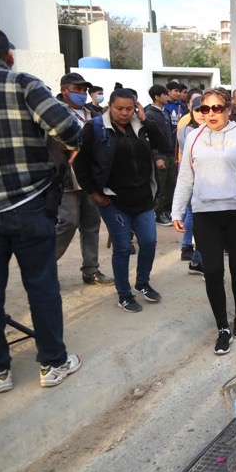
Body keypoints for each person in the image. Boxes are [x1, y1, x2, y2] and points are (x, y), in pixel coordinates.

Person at [0, 23, 82, 393]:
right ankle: (53, 363)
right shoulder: (21, 82)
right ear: (8, 55)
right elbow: (68, 129)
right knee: (40, 286)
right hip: (28, 205)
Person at [172, 87, 236, 355]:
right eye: (205, 108)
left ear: (228, 110)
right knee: (212, 271)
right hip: (205, 215)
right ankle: (222, 327)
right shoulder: (193, 138)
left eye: (216, 108)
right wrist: (177, 210)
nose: (210, 113)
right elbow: (185, 177)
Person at [73, 87, 170, 313]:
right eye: (119, 109)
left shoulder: (140, 127)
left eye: (129, 108)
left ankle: (142, 282)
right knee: (123, 247)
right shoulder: (95, 128)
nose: (125, 113)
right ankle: (124, 294)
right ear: (110, 106)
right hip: (113, 200)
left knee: (148, 241)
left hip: (143, 197)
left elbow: (164, 146)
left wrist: (146, 121)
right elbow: (80, 164)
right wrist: (95, 193)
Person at [53, 72, 114, 287]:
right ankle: (45, 265)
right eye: (76, 89)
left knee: (91, 223)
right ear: (64, 90)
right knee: (68, 221)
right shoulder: (53, 111)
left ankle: (91, 270)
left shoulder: (93, 112)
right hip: (66, 176)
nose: (80, 93)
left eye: (83, 90)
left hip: (90, 177)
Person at [177, 93, 205, 268]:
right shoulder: (188, 130)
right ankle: (189, 249)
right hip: (192, 178)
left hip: (200, 179)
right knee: (195, 216)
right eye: (198, 110)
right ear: (191, 110)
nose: (202, 113)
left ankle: (194, 256)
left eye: (205, 109)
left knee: (194, 215)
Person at [144, 84, 177, 227]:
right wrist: (156, 157)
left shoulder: (165, 113)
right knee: (161, 185)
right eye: (164, 94)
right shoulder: (149, 114)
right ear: (157, 97)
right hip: (160, 155)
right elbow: (149, 138)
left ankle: (167, 210)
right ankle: (159, 212)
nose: (167, 97)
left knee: (171, 184)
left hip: (169, 154)